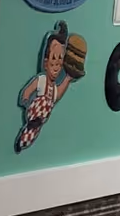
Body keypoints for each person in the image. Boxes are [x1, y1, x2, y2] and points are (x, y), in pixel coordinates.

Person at [17, 21, 83, 151]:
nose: (57, 65)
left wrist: (68, 78)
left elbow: (57, 95)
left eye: (60, 60)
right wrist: (27, 103)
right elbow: (26, 93)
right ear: (46, 62)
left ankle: (24, 142)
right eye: (54, 59)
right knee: (29, 133)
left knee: (32, 135)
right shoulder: (41, 80)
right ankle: (21, 142)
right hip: (33, 119)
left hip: (40, 122)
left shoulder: (53, 90)